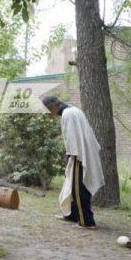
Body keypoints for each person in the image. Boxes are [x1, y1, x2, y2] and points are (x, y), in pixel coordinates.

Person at [42, 96, 105, 230]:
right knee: (72, 186)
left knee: (79, 189)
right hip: (81, 153)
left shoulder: (68, 114)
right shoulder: (72, 110)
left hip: (79, 155)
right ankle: (72, 215)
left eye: (47, 111)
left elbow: (71, 136)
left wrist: (71, 154)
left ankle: (87, 222)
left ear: (53, 107)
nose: (48, 114)